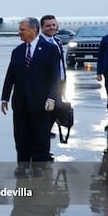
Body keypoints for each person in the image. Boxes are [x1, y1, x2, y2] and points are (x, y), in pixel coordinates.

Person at [1, 17, 60, 176]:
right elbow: (10, 76)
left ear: (33, 30)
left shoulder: (50, 49)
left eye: (22, 29)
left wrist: (52, 97)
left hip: (41, 102)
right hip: (20, 101)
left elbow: (55, 77)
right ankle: (23, 164)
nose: (19, 32)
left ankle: (39, 165)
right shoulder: (17, 51)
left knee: (40, 135)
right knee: (21, 135)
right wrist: (5, 97)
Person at [40, 15, 67, 146]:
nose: (51, 28)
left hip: (59, 85)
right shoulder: (39, 43)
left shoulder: (57, 41)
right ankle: (41, 150)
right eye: (48, 25)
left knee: (54, 114)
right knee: (45, 118)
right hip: (47, 87)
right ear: (41, 27)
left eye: (53, 25)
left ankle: (45, 146)